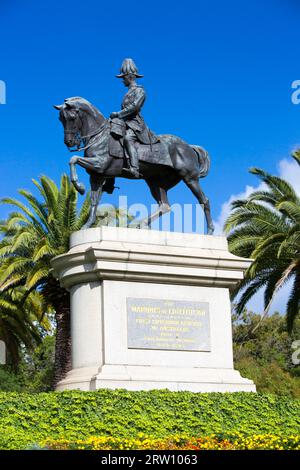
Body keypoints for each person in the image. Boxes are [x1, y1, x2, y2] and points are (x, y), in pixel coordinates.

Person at [110, 58, 158, 178]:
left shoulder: (140, 91)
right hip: (125, 123)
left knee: (127, 138)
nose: (122, 80)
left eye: (123, 77)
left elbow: (135, 107)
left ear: (130, 77)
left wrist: (118, 114)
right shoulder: (127, 92)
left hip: (136, 124)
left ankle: (134, 168)